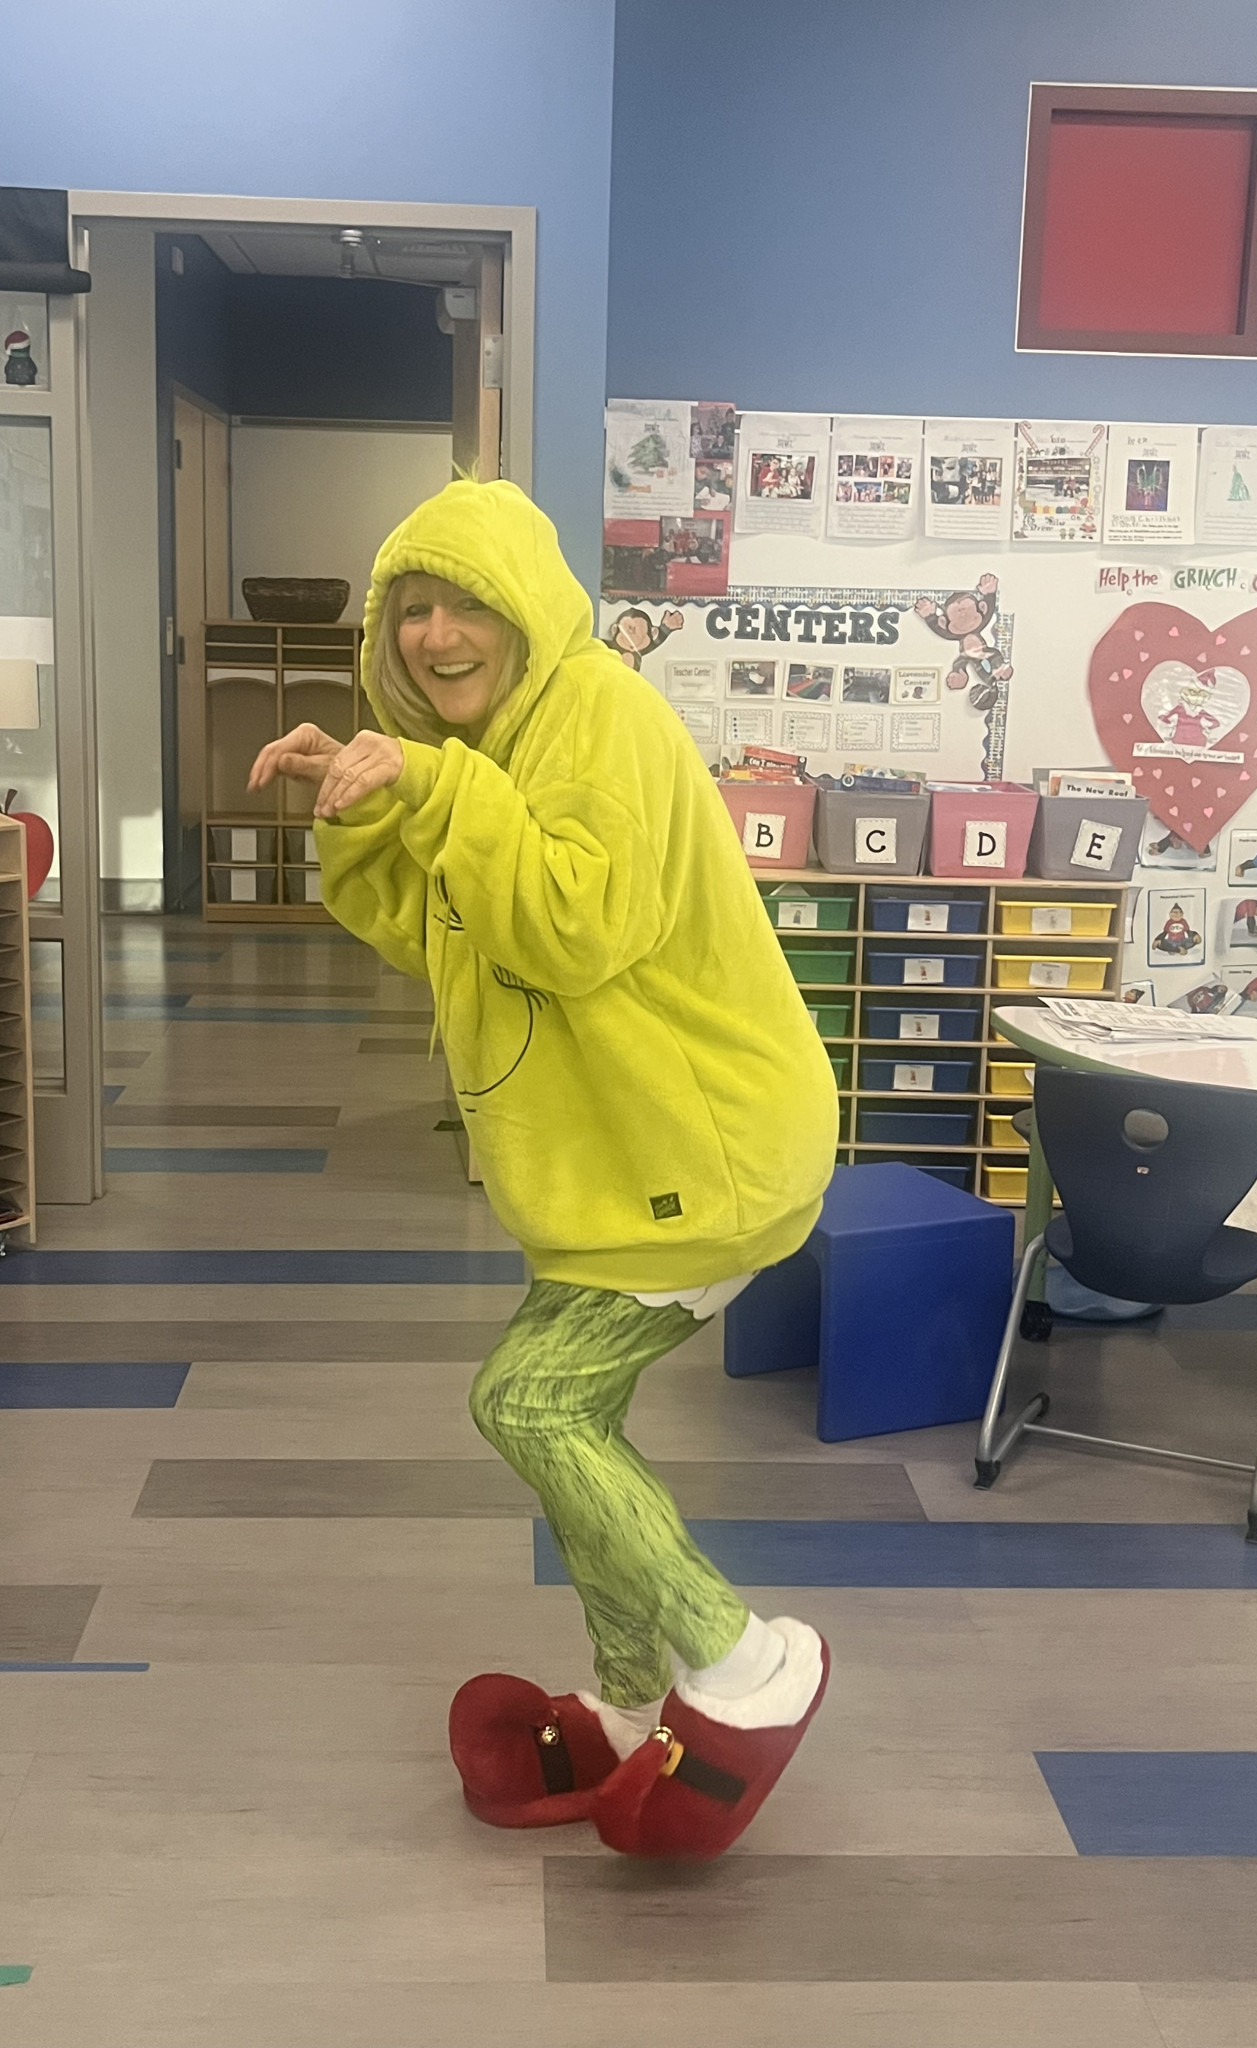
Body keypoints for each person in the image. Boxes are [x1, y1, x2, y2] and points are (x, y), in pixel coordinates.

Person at [248, 480, 836, 1859]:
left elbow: (576, 925)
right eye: (413, 611)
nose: (438, 636)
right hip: (608, 1173)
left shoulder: (600, 715)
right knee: (581, 1434)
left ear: (528, 614)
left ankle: (747, 1659)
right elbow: (429, 926)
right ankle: (629, 1703)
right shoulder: (462, 744)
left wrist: (438, 784)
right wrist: (366, 806)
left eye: (470, 605)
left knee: (529, 1403)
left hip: (702, 1153)